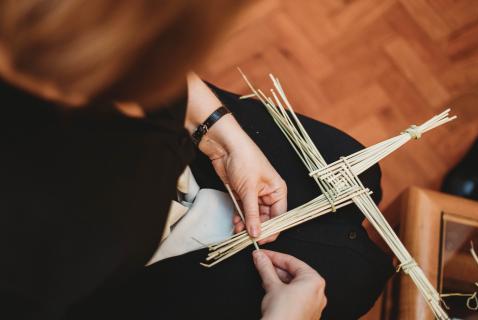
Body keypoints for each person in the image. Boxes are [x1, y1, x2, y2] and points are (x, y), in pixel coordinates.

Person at [0, 1, 392, 319]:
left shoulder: (75, 35)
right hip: (122, 273)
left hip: (169, 183)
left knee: (359, 171)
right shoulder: (33, 256)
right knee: (355, 275)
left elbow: (139, 56)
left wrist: (225, 140)